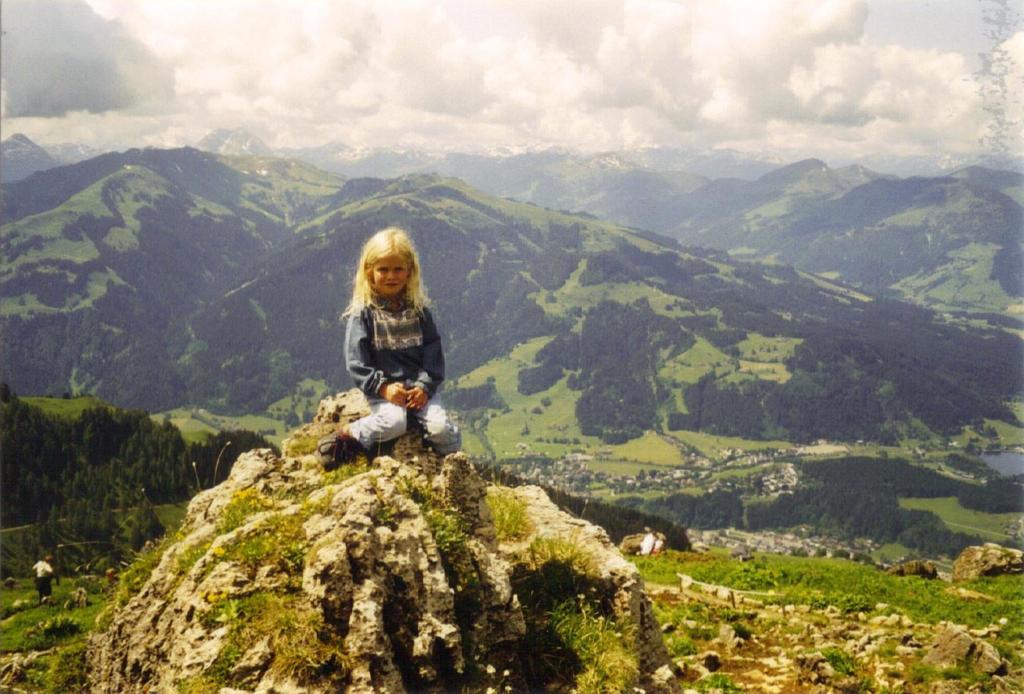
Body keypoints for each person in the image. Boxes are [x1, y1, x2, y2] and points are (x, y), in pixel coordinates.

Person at [336, 227, 461, 461]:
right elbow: (357, 363)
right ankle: (349, 435)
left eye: (398, 269)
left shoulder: (419, 311)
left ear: (409, 271)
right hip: (384, 391)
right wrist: (383, 387)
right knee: (394, 423)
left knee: (441, 429)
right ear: (369, 271)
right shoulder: (364, 314)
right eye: (383, 269)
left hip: (419, 391)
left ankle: (452, 463)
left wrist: (424, 386)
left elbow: (433, 354)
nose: (391, 276)